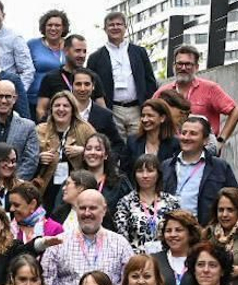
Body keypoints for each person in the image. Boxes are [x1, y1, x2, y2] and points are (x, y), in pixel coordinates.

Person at [40, 189, 133, 285]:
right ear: (76, 210)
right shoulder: (57, 243)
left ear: (104, 210)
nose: (87, 213)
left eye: (93, 208)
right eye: (82, 208)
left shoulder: (120, 244)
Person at [154, 45, 238, 151]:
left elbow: (235, 111)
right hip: (171, 150)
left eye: (188, 64)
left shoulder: (210, 89)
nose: (183, 68)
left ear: (196, 67)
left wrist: (221, 140)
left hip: (203, 150)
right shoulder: (163, 92)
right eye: (180, 64)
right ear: (174, 66)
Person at [87, 10, 157, 138]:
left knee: (138, 145)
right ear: (105, 29)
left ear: (125, 27)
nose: (115, 27)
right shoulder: (95, 57)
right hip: (112, 109)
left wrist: (149, 106)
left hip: (137, 108)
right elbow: (91, 87)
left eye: (119, 24)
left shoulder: (139, 52)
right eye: (111, 25)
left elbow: (150, 80)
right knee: (116, 146)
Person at [161, 114, 238, 225]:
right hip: (172, 234)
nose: (186, 138)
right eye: (183, 133)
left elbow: (235, 200)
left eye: (193, 134)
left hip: (206, 234)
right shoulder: (166, 166)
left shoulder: (219, 167)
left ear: (205, 140)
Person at [34, 90, 95, 206]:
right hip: (46, 187)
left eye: (66, 106)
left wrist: (83, 151)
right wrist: (39, 158)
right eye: (57, 105)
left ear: (73, 109)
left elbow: (100, 151)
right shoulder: (40, 130)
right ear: (51, 109)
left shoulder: (85, 129)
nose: (61, 109)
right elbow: (27, 158)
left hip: (76, 188)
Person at [113, 154, 183, 254]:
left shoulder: (171, 202)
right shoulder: (125, 203)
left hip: (167, 259)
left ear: (158, 174)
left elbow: (179, 232)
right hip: (136, 259)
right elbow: (121, 237)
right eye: (140, 171)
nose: (145, 175)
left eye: (150, 171)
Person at [0, 0, 37, 111]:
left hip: (8, 101)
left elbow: (27, 70)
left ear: (3, 15)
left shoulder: (15, 38)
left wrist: (16, 93)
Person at [154, 208, 203, 285]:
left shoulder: (201, 259)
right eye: (168, 231)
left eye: (178, 230)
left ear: (190, 233)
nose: (173, 235)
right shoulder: (154, 260)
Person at [123, 97, 179, 174]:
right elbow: (124, 171)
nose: (145, 119)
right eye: (143, 116)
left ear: (162, 118)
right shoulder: (132, 141)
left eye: (150, 115)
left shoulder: (174, 144)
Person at [27, 10, 70, 104]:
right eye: (49, 25)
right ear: (44, 27)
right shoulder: (32, 45)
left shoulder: (69, 45)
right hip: (34, 100)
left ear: (63, 28)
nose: (53, 28)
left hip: (62, 102)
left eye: (57, 25)